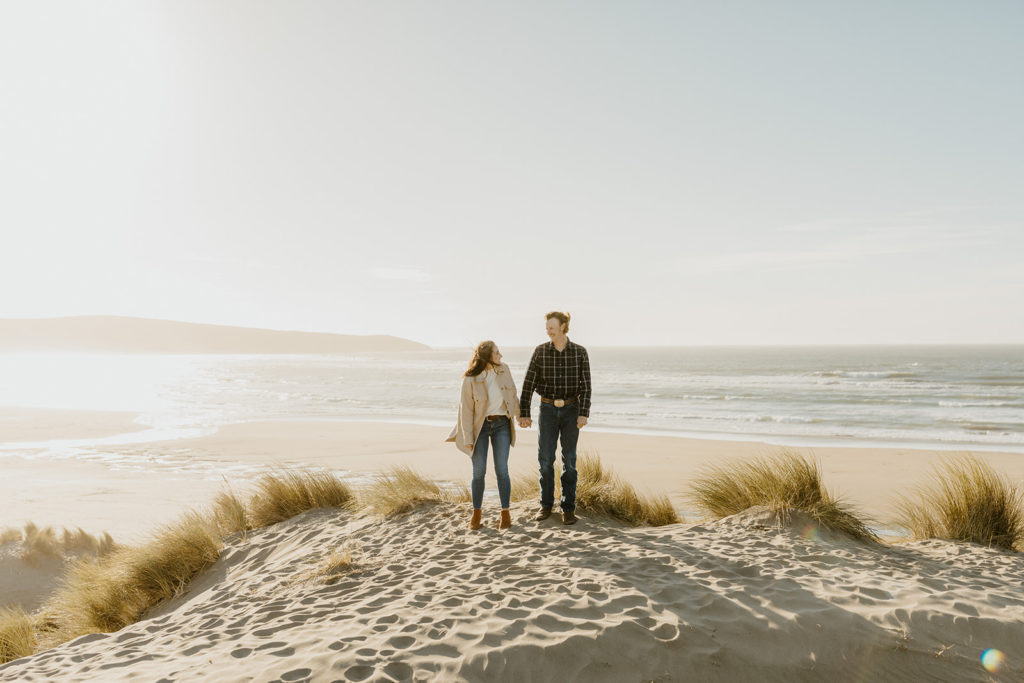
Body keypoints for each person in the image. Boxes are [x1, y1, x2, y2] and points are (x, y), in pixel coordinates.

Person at [518, 311, 592, 525]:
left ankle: (568, 508)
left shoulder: (580, 352)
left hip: (571, 409)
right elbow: (528, 383)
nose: (547, 330)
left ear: (563, 326)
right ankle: (546, 505)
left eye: (551, 326)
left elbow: (586, 386)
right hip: (547, 409)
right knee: (546, 460)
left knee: (569, 460)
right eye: (547, 326)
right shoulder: (540, 351)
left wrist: (583, 413)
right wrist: (524, 413)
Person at [446, 341, 521, 530]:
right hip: (480, 428)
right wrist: (468, 438)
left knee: (502, 470)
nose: (500, 355)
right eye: (496, 353)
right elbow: (465, 411)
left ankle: (505, 512)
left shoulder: (504, 370)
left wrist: (520, 416)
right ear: (487, 356)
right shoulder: (470, 378)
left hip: (502, 424)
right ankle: (476, 512)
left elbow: (512, 394)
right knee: (479, 472)